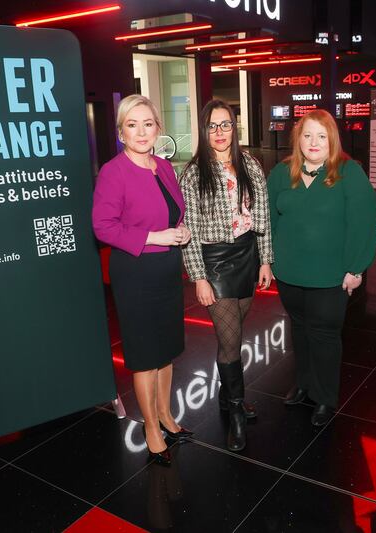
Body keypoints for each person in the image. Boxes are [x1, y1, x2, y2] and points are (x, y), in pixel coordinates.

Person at [93, 94, 192, 466]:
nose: (140, 131)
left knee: (166, 350)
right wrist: (157, 236)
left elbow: (172, 211)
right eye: (131, 125)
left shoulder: (163, 167)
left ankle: (167, 415)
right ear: (121, 132)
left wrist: (178, 231)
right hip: (135, 273)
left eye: (147, 123)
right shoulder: (113, 171)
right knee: (145, 357)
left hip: (166, 268)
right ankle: (151, 428)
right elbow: (103, 227)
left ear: (158, 128)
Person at [267, 109, 376, 427]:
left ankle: (325, 397)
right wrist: (270, 259)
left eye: (321, 135)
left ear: (332, 139)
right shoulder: (281, 172)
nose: (314, 142)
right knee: (299, 329)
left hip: (331, 275)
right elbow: (270, 219)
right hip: (289, 272)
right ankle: (302, 383)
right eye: (307, 135)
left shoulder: (349, 172)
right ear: (297, 139)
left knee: (325, 335)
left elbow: (363, 222)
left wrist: (356, 268)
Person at [180, 99, 273, 452]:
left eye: (226, 125)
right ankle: (236, 411)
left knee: (233, 333)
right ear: (203, 131)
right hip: (214, 259)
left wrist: (266, 261)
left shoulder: (249, 163)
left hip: (247, 253)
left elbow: (261, 215)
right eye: (212, 126)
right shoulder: (192, 173)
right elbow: (185, 228)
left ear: (235, 128)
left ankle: (225, 395)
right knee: (230, 337)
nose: (219, 132)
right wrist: (198, 277)